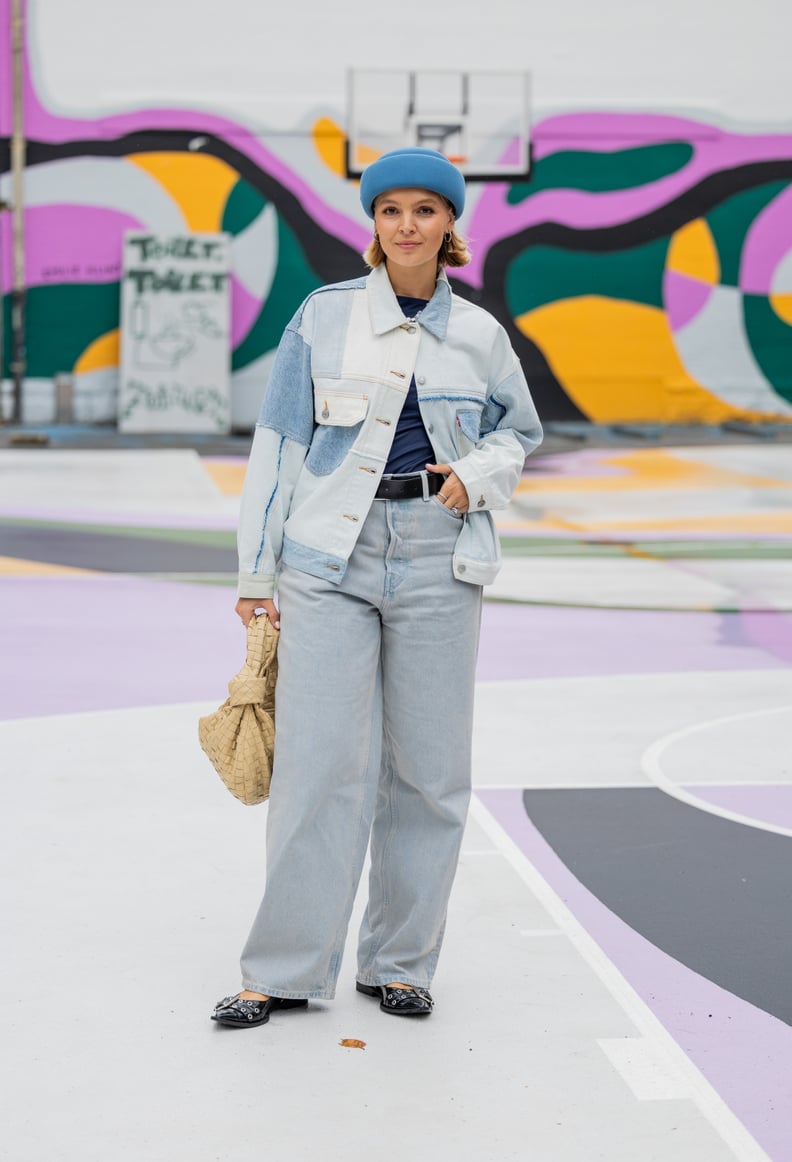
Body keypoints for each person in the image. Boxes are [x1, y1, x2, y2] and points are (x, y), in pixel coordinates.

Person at [212, 148, 542, 1028]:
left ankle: (400, 961)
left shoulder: (480, 336)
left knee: (429, 775)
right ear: (373, 224)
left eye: (424, 211)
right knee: (319, 768)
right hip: (329, 561)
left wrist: (477, 472)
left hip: (440, 554)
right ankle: (281, 968)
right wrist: (256, 569)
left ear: (449, 226)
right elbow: (277, 449)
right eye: (389, 210)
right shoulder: (321, 319)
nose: (405, 225)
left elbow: (521, 432)